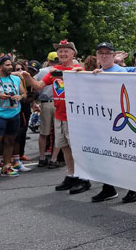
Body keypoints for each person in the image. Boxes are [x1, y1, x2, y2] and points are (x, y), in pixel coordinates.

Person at [20, 40, 90, 194]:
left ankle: (83, 178)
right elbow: (38, 86)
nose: (63, 54)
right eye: (60, 51)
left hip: (74, 116)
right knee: (64, 147)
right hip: (59, 115)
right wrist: (27, 77)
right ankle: (71, 175)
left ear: (73, 53)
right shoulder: (54, 71)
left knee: (76, 148)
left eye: (66, 51)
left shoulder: (78, 69)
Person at [88, 42, 136, 204]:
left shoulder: (121, 71)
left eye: (107, 53)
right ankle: (108, 188)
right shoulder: (97, 73)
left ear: (113, 55)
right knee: (106, 156)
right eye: (100, 53)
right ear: (97, 56)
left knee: (126, 155)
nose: (104, 55)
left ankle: (135, 188)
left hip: (122, 119)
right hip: (104, 121)